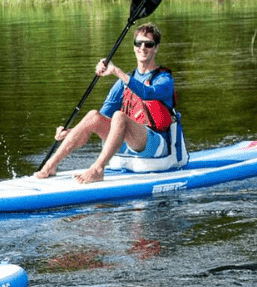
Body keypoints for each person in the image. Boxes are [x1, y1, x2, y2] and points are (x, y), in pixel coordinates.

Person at [34, 23, 177, 184]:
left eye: (148, 44)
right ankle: (50, 166)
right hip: (127, 144)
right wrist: (72, 133)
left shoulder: (164, 79)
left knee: (119, 116)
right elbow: (98, 122)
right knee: (93, 116)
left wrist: (115, 71)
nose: (142, 48)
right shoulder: (122, 84)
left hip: (155, 146)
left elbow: (146, 93)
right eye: (138, 43)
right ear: (134, 47)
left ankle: (97, 169)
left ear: (156, 48)